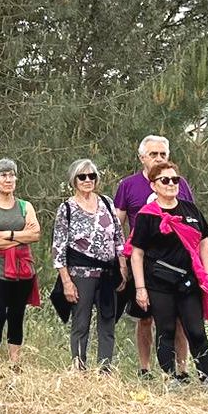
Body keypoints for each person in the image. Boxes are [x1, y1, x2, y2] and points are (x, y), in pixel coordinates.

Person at [112, 134, 208, 377]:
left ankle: (186, 371)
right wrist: (123, 263)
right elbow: (118, 227)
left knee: (187, 325)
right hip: (149, 270)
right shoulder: (130, 188)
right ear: (142, 157)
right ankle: (148, 369)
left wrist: (206, 275)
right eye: (153, 154)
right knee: (149, 321)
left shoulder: (185, 194)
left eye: (163, 154)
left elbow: (200, 238)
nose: (171, 183)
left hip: (185, 272)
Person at [51, 158, 122, 371]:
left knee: (107, 323)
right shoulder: (67, 208)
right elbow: (58, 247)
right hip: (80, 274)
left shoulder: (107, 202)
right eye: (82, 176)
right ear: (74, 180)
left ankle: (105, 369)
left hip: (108, 273)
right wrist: (66, 282)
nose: (88, 180)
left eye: (92, 176)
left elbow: (118, 236)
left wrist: (123, 267)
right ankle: (79, 367)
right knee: (81, 323)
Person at [0, 159, 41, 366]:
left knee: (16, 314)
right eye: (3, 175)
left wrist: (8, 234)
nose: (8, 179)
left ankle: (15, 362)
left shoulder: (25, 206)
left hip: (23, 268)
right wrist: (21, 237)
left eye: (11, 175)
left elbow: (36, 234)